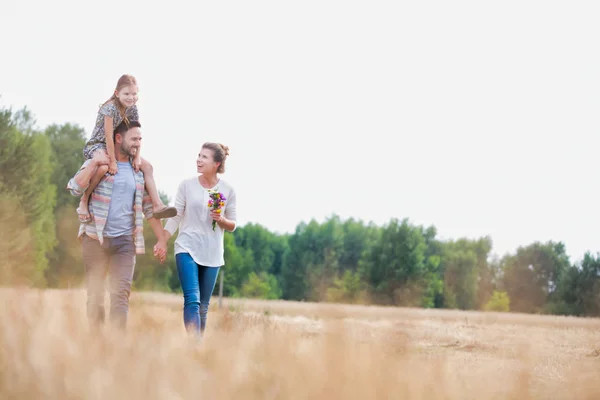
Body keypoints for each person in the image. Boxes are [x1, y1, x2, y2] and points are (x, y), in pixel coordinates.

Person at [67, 119, 167, 330]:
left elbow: (148, 209)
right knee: (95, 296)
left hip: (124, 242)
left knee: (120, 294)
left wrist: (161, 239)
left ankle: (116, 348)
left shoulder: (138, 171)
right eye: (134, 139)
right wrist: (93, 164)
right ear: (118, 138)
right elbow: (75, 188)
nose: (138, 143)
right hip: (95, 239)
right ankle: (96, 344)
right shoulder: (101, 162)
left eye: (140, 139)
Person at [68, 74, 176, 223]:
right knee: (103, 168)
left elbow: (135, 133)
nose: (131, 97)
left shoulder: (132, 109)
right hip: (98, 144)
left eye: (134, 94)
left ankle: (157, 206)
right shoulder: (109, 108)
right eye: (126, 94)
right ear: (117, 93)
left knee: (148, 167)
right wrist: (112, 161)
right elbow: (107, 136)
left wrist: (137, 156)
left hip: (119, 144)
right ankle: (84, 200)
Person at [155, 142, 237, 338]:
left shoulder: (227, 190)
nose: (199, 160)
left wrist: (221, 219)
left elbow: (233, 225)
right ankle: (195, 345)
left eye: (204, 157)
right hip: (186, 246)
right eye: (198, 155)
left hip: (212, 252)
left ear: (217, 163)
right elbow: (175, 217)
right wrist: (162, 240)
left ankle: (197, 354)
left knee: (203, 307)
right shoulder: (186, 185)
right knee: (192, 299)